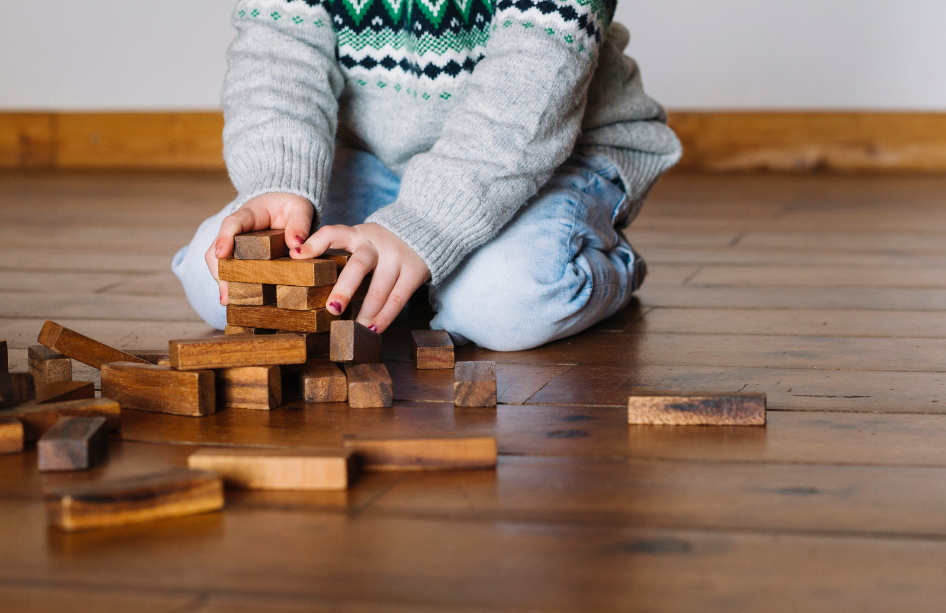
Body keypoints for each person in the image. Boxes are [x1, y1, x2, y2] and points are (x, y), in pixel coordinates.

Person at [172, 0, 680, 351]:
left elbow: (531, 89)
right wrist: (280, 178)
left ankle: (599, 258)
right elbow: (278, 51)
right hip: (375, 156)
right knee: (212, 279)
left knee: (503, 304)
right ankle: (414, 279)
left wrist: (422, 220)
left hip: (544, 155)